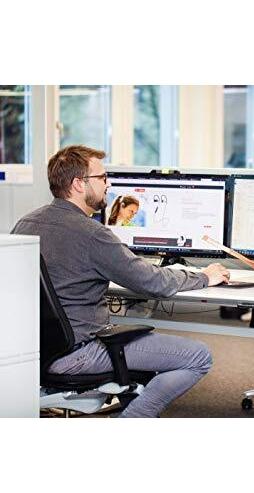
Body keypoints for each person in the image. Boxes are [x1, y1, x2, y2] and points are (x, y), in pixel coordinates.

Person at [12, 144, 230, 418]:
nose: (108, 184)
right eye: (102, 177)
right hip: (79, 354)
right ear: (78, 184)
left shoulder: (24, 224)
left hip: (32, 353)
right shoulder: (92, 234)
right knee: (198, 356)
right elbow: (153, 282)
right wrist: (204, 276)